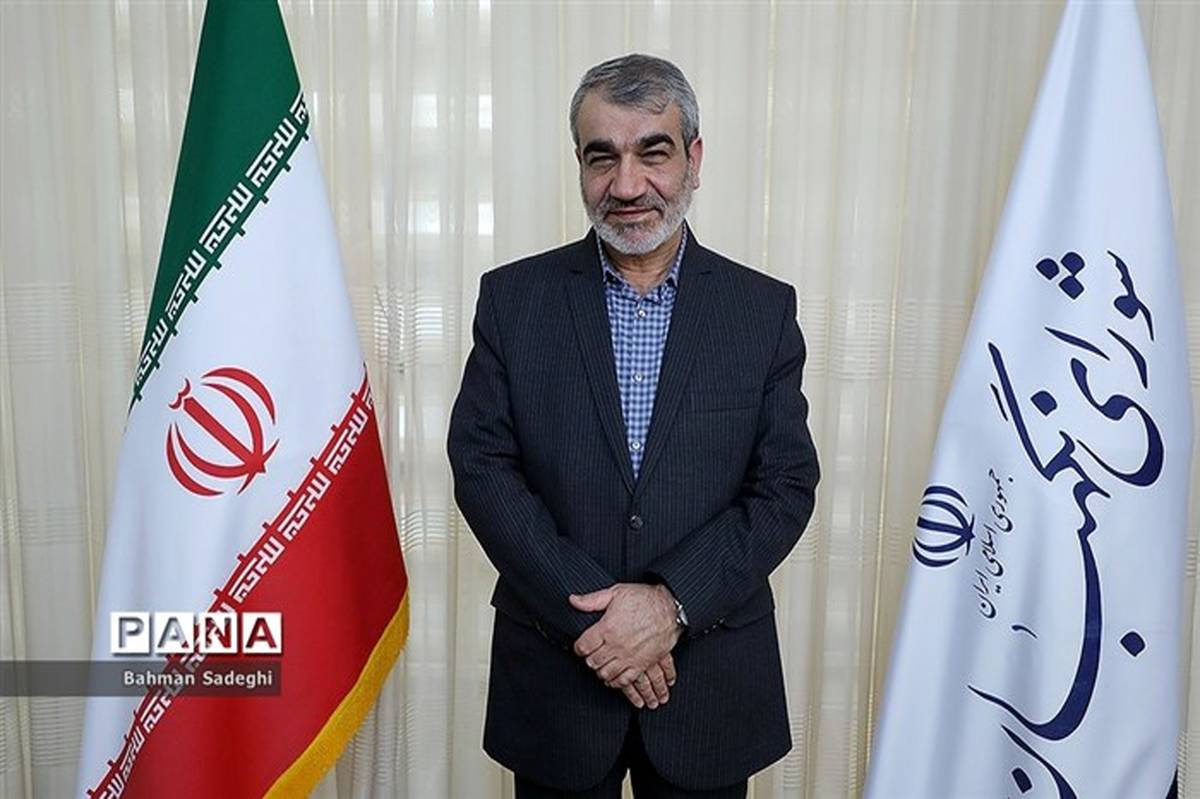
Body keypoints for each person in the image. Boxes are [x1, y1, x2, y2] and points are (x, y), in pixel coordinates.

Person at [448, 53, 819, 799]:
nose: (626, 186)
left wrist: (669, 605)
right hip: (558, 681)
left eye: (653, 152)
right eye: (602, 157)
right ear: (579, 165)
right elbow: (483, 469)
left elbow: (784, 486)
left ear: (694, 159)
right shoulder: (513, 301)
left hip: (707, 685)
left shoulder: (761, 310)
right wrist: (603, 617)